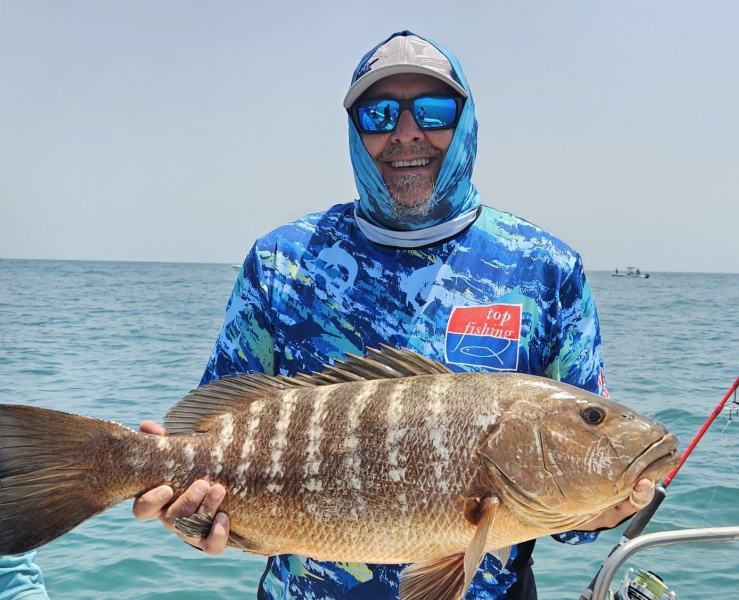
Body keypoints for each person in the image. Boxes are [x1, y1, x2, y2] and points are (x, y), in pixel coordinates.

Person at [133, 30, 655, 599]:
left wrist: (608, 505)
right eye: (380, 114)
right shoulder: (282, 261)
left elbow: (570, 519)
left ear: (466, 121)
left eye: (432, 110)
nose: (407, 133)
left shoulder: (546, 268)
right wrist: (190, 518)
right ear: (356, 132)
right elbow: (205, 441)